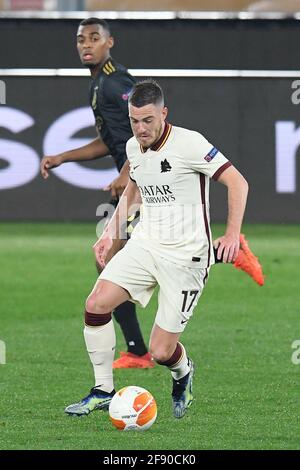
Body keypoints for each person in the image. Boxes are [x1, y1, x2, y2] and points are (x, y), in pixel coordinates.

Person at [64, 79, 249, 419]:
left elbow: (238, 181)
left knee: (161, 352)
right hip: (145, 245)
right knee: (95, 304)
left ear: (164, 113)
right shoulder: (134, 147)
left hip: (187, 258)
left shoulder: (190, 143)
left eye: (148, 120)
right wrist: (111, 233)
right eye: (135, 120)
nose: (140, 128)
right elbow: (133, 188)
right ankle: (103, 390)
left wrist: (232, 234)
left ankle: (183, 372)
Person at [40, 17, 154, 369]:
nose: (85, 44)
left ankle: (138, 351)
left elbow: (145, 126)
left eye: (94, 38)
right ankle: (137, 351)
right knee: (110, 259)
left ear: (110, 42)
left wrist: (126, 172)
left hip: (142, 185)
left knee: (121, 260)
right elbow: (112, 140)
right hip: (133, 184)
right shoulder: (99, 83)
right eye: (80, 40)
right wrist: (64, 156)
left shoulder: (115, 82)